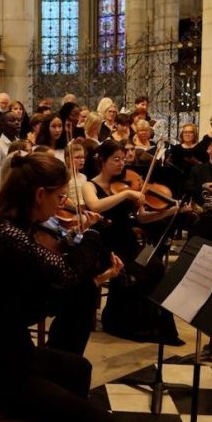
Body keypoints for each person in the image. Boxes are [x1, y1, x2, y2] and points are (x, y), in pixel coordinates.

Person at [0, 151, 119, 422]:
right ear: (39, 195)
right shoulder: (6, 234)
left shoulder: (12, 227)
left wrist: (90, 280)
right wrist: (92, 236)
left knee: (79, 368)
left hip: (14, 354)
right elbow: (66, 273)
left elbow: (34, 300)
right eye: (59, 196)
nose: (63, 204)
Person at [82, 140, 184, 344]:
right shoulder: (89, 185)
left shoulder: (124, 184)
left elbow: (141, 218)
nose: (121, 163)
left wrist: (170, 210)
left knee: (155, 268)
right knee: (136, 273)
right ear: (102, 161)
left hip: (127, 240)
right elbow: (95, 206)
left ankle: (150, 324)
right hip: (104, 244)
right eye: (116, 159)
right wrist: (127, 194)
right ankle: (119, 322)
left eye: (123, 159)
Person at [0, 110, 20, 187]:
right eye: (12, 120)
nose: (17, 123)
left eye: (18, 120)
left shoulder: (21, 143)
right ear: (2, 125)